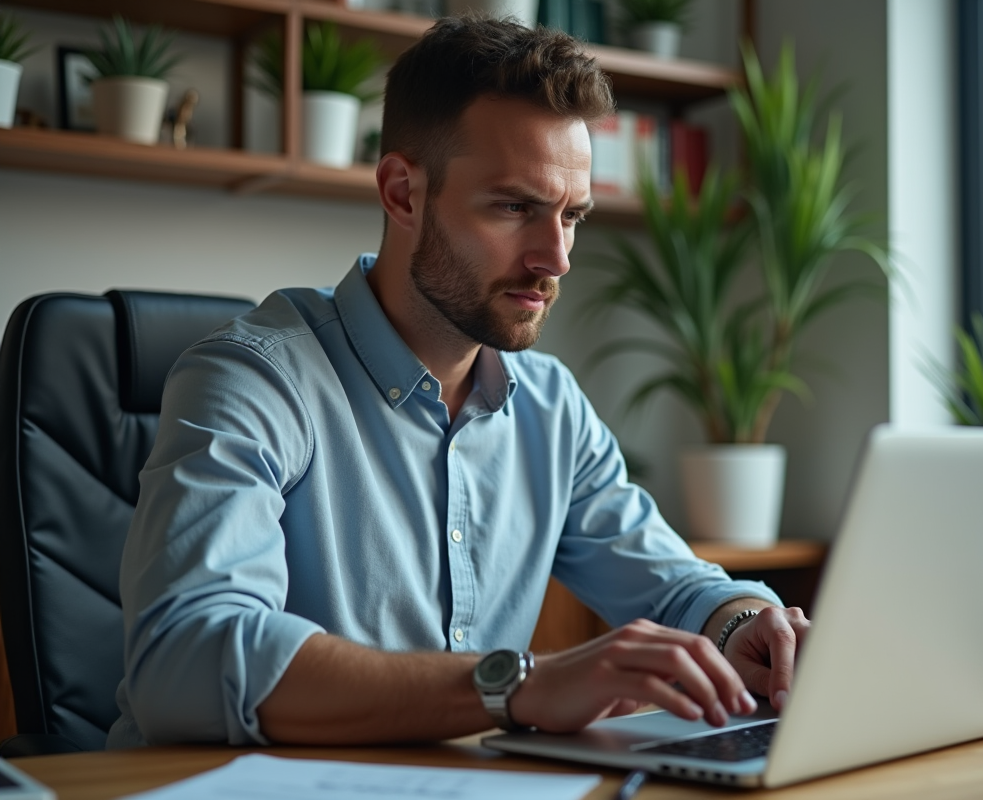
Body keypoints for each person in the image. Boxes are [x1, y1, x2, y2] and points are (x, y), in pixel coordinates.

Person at [107, 15, 810, 749]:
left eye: (572, 216)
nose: (557, 257)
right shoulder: (254, 379)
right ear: (403, 193)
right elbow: (185, 658)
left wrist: (743, 626)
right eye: (515, 208)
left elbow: (673, 586)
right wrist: (521, 686)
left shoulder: (550, 408)